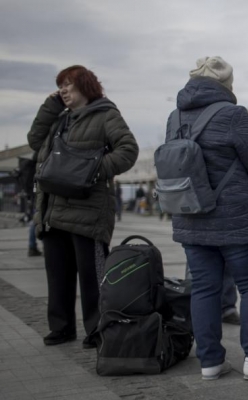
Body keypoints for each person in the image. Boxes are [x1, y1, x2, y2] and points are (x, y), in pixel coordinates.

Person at [168, 56, 248, 381]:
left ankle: (211, 362)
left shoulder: (174, 118)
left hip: (189, 217)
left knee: (204, 288)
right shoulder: (233, 114)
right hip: (234, 219)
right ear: (226, 85)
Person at [27, 65, 139, 348]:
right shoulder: (60, 119)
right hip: (54, 210)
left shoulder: (105, 115)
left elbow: (128, 150)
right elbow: (34, 142)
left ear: (85, 87)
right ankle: (61, 327)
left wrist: (93, 170)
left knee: (93, 279)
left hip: (89, 214)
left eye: (69, 85)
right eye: (60, 85)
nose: (63, 90)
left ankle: (97, 330)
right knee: (58, 276)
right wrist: (49, 107)